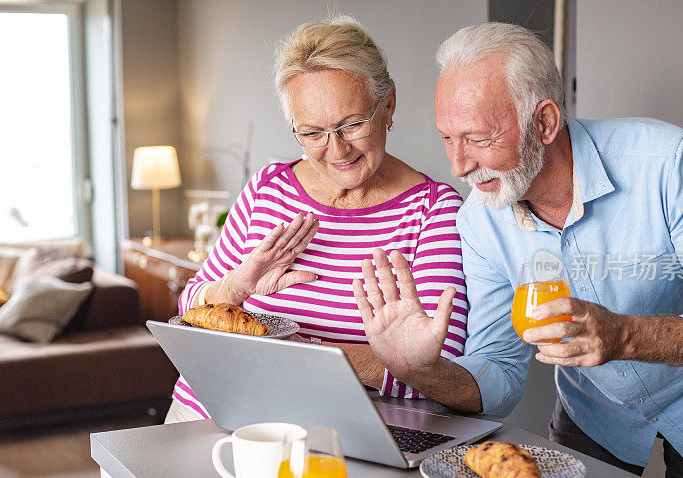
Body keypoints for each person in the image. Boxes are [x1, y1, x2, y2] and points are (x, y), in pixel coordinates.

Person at [355, 22, 683, 478]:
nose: (458, 166)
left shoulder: (667, 162)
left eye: (477, 139)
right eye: (447, 139)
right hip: (595, 415)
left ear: (544, 122)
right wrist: (422, 369)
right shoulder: (479, 222)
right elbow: (499, 372)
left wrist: (625, 336)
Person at [164, 16, 468, 423]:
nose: (335, 149)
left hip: (337, 432)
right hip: (205, 408)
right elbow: (190, 306)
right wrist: (236, 287)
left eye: (352, 124)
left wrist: (309, 352)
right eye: (311, 133)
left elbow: (440, 367)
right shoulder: (268, 187)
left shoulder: (433, 211)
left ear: (388, 104)